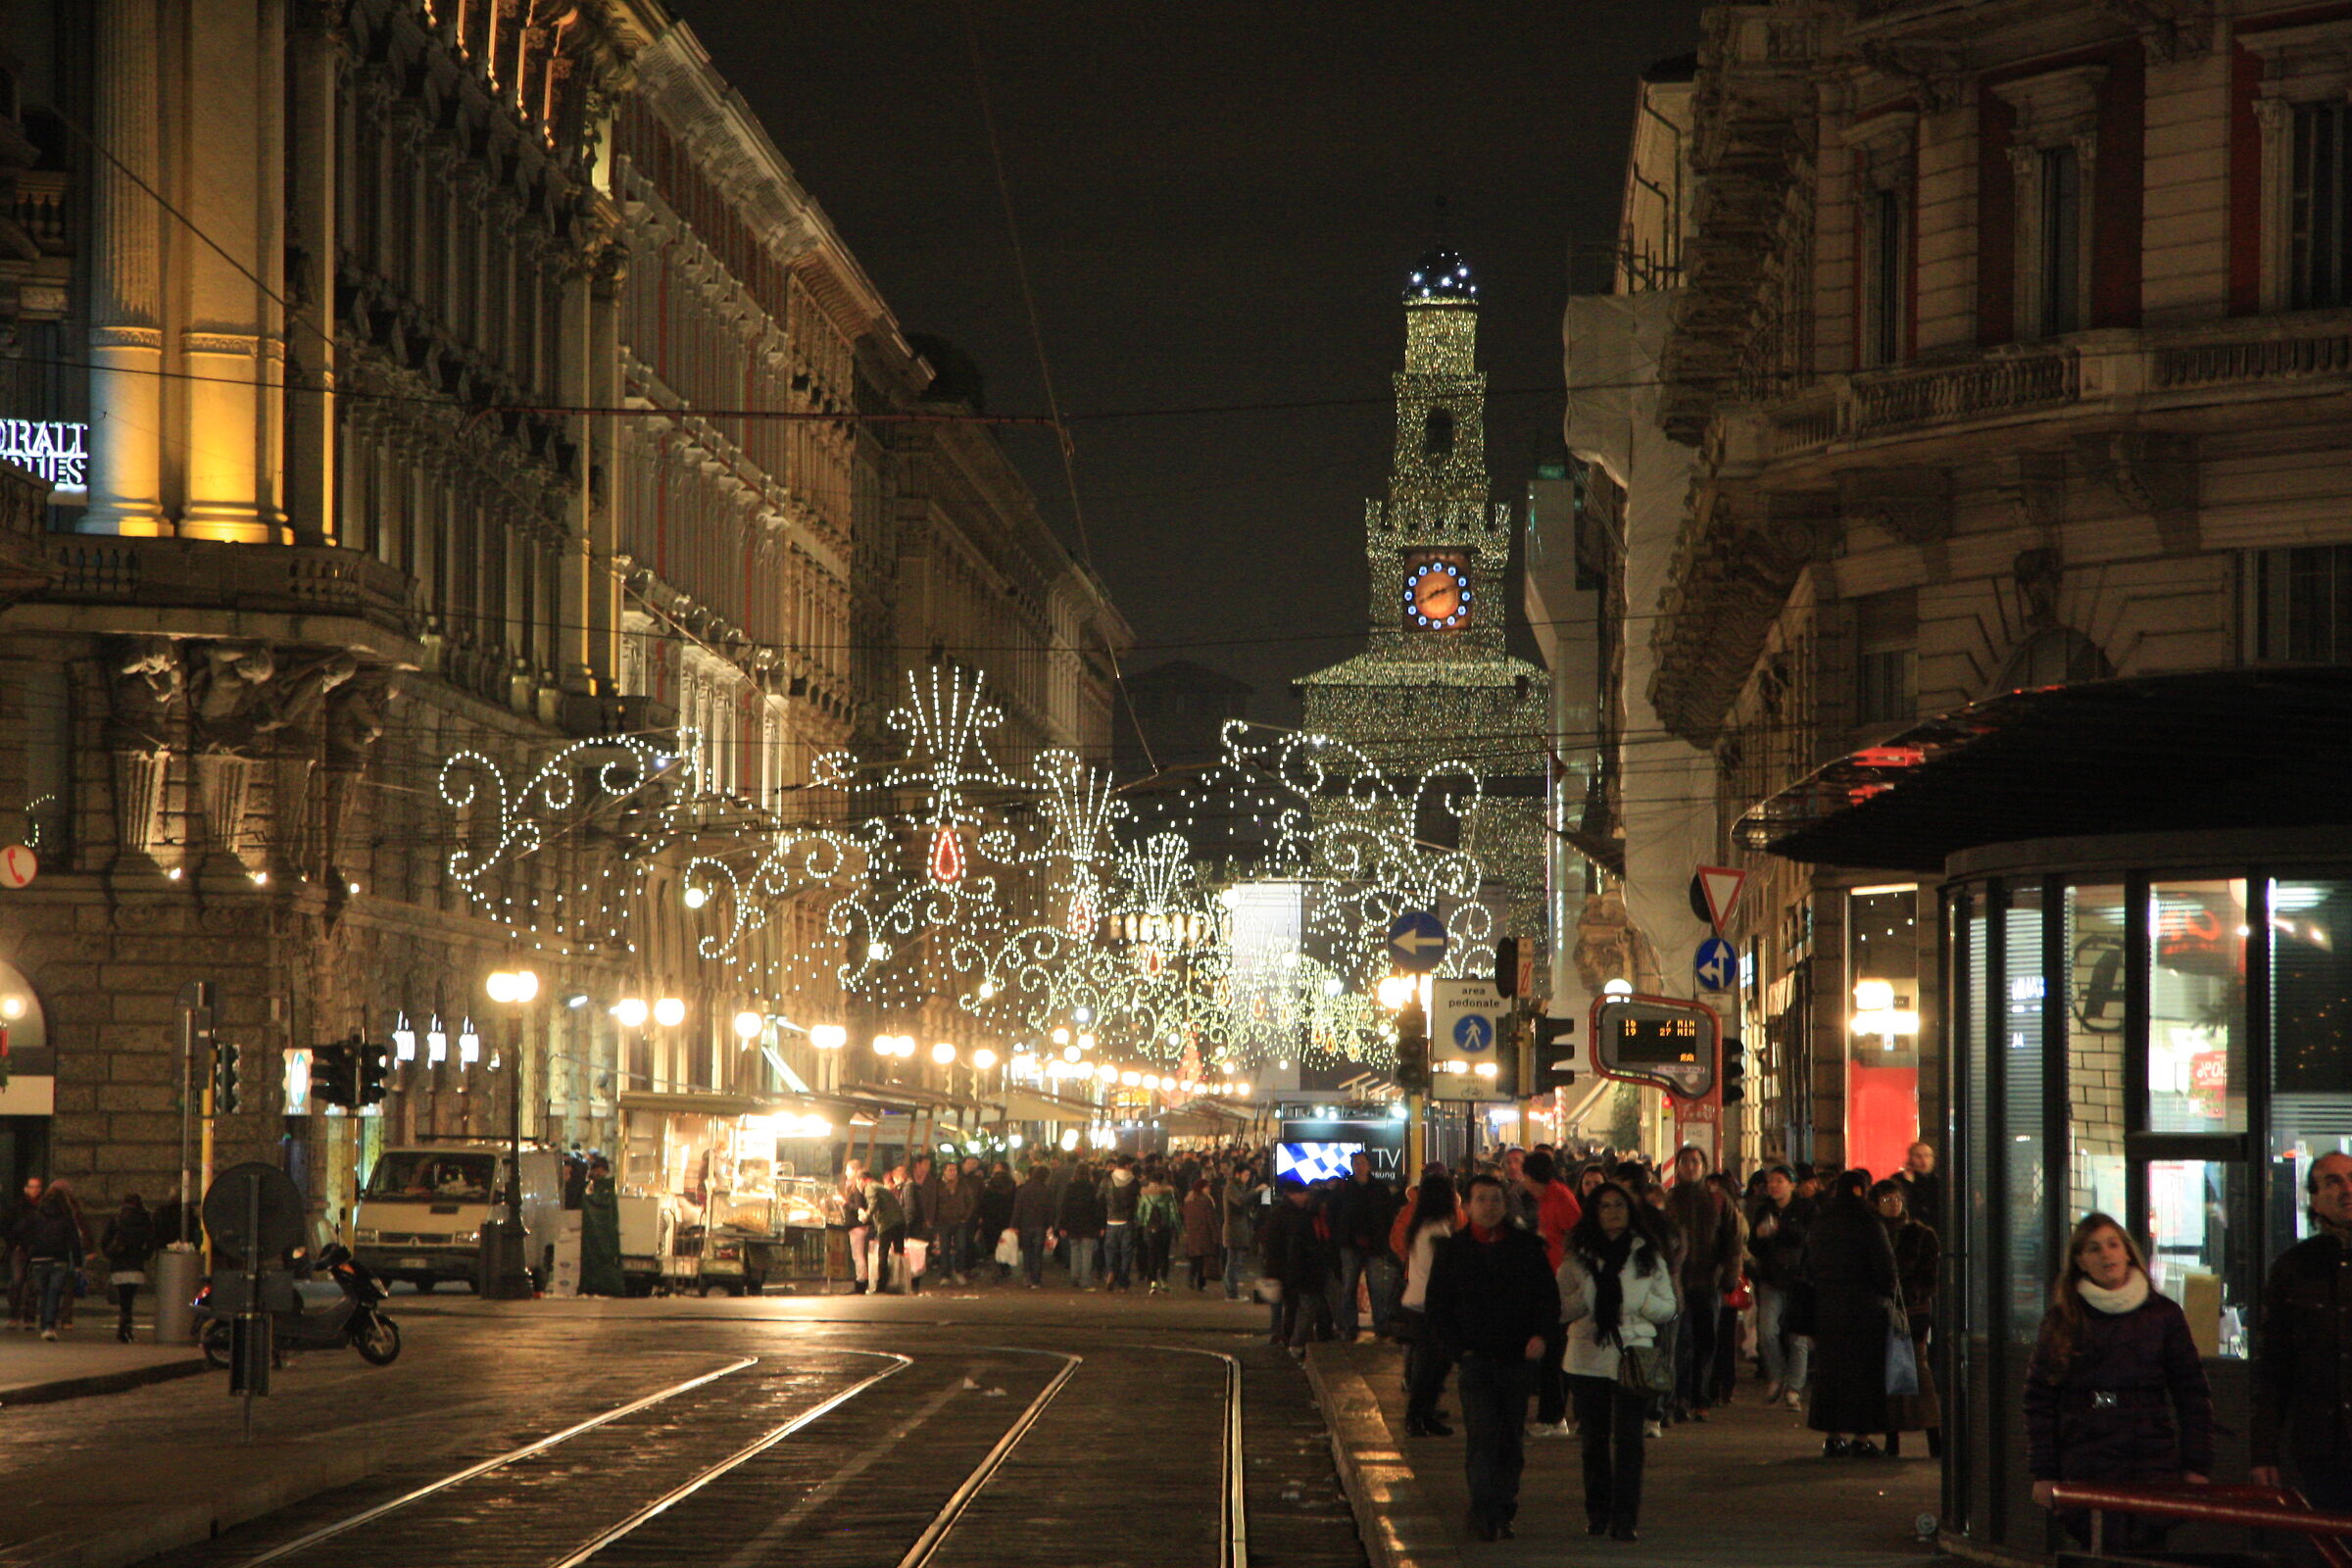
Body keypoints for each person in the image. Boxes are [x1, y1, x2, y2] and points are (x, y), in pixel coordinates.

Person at [2025, 1212, 2214, 1551]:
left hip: (2149, 1458)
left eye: (2113, 1245)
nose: (2106, 1255)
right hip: (2086, 1458)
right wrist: (2044, 1471)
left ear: (2128, 1252)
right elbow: (2040, 1400)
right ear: (2080, 1261)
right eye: (2094, 1248)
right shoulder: (2063, 1319)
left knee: (2146, 1547)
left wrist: (2195, 1465)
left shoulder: (2162, 1315)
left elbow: (2192, 1394)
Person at [1424, 1172, 1559, 1543]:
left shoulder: (1527, 1248)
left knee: (1510, 1437)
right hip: (1476, 1359)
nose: (1488, 1207)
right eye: (1480, 1199)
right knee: (1482, 1435)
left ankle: (1504, 1506)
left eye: (1495, 1199)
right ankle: (1483, 1510)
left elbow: (1547, 1298)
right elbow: (1438, 1305)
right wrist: (1457, 1349)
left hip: (1516, 1357)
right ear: (1466, 1206)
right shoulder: (1452, 1250)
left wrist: (1540, 1335)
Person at [1558, 1181, 1677, 1543]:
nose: (1613, 1212)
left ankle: (1626, 1517)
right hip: (1587, 1354)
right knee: (1593, 1440)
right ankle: (1597, 1512)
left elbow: (1668, 1306)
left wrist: (1637, 1303)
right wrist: (1589, 1300)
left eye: (1620, 1206)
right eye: (1605, 1206)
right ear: (1594, 1212)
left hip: (1633, 1354)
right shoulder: (1577, 1256)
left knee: (1629, 1440)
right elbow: (1560, 1307)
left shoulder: (1646, 1255)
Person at [2252, 1150, 2352, 1513]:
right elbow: (2274, 1366)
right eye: (2333, 1181)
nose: (2347, 1189)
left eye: (2351, 1177)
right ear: (2314, 1198)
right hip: (2323, 1447)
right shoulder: (2293, 1268)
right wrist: (2264, 1449)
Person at [1805, 1169, 1900, 1457]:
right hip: (1865, 1309)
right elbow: (1886, 1269)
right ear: (1862, 1191)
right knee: (1865, 1375)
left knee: (1831, 1373)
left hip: (1829, 1307)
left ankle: (1833, 1435)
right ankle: (1862, 1436)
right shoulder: (1868, 1222)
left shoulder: (1822, 1221)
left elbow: (1810, 1264)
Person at [1664, 1145, 1739, 1422]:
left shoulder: (1718, 1201)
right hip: (1679, 1283)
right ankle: (1680, 1397)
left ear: (1704, 1167)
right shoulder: (1670, 1200)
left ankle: (1701, 1398)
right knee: (1681, 1342)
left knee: (1706, 1342)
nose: (1690, 1166)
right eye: (1685, 1161)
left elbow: (1732, 1241)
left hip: (1709, 1282)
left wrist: (1730, 1274)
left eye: (1695, 1161)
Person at [1517, 1151, 1585, 1439]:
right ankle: (1551, 1416)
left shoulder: (1559, 1199)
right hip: (1553, 1282)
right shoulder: (1553, 1198)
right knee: (1553, 1354)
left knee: (1555, 1354)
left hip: (1562, 1287)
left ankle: (1553, 1418)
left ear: (1531, 1177)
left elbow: (1577, 1241)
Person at [1873, 1178, 1942, 1458]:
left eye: (1897, 1199)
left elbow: (1930, 1275)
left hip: (1912, 1312)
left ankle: (1933, 1434)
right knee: (1891, 1376)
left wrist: (1914, 1293)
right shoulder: (1873, 1233)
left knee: (1918, 1372)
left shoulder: (1920, 1234)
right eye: (1887, 1200)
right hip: (1884, 1311)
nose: (1894, 1204)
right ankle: (1893, 1438)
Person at [1396, 1169, 1460, 1437]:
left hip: (1417, 1300)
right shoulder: (1437, 1231)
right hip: (1428, 1304)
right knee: (1432, 1364)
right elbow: (1444, 1270)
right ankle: (1417, 1415)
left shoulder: (1421, 1226)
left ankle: (1425, 1413)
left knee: (1434, 1362)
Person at [1747, 1164, 1814, 1410]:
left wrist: (1779, 1230)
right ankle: (1776, 1375)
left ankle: (1794, 1389)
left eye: (1779, 1181)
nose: (1773, 1186)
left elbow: (1808, 1237)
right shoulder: (1764, 1209)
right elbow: (1754, 1244)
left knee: (1798, 1337)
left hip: (1799, 1279)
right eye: (1771, 1182)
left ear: (1792, 1185)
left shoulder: (1806, 1208)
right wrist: (1761, 1236)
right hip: (1771, 1278)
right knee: (1766, 1330)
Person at [1330, 1151, 1400, 1342]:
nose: (1359, 1166)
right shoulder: (1344, 1189)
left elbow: (1387, 1217)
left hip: (1374, 1245)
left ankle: (1380, 1324)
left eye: (1362, 1163)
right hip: (1350, 1244)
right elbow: (1335, 1216)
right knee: (1349, 1288)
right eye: (1356, 1163)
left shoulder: (1379, 1189)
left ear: (1369, 1165)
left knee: (1377, 1288)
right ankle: (1350, 1326)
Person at [12, 1180, 83, 1340]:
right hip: (59, 1258)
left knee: (44, 1293)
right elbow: (74, 1241)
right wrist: (78, 1263)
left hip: (38, 1258)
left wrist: (27, 1244)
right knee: (54, 1293)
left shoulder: (36, 1215)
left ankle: (44, 1324)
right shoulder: (66, 1217)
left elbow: (17, 1229)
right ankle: (48, 1326)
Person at [99, 1193, 155, 1342]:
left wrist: (111, 1253)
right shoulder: (145, 1220)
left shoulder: (117, 1220)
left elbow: (104, 1242)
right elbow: (151, 1242)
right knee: (129, 1298)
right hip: (136, 1265)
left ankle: (124, 1326)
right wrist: (145, 1256)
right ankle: (126, 1327)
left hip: (119, 1264)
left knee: (124, 1298)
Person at [579, 1156, 626, 1296]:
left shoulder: (597, 1188)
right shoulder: (595, 1187)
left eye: (600, 1171)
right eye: (596, 1171)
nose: (598, 1174)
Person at [1058, 1160, 1105, 1290]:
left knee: (1074, 1250)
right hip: (1088, 1225)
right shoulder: (1091, 1188)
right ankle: (1085, 1281)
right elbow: (1096, 1208)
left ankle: (1074, 1277)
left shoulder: (1070, 1188)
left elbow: (1065, 1207)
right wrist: (1100, 1226)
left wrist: (1062, 1225)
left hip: (1073, 1224)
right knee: (1086, 1253)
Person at [5, 1173, 42, 1330]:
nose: (34, 1190)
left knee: (33, 1285)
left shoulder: (43, 1206)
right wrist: (14, 1244)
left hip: (37, 1249)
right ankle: (14, 1315)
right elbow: (7, 1226)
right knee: (17, 1281)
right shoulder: (18, 1206)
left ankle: (29, 1318)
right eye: (31, 1187)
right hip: (20, 1248)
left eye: (37, 1187)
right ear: (26, 1189)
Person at [1221, 1161, 1262, 1300]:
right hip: (1233, 1230)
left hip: (1240, 1229)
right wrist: (1256, 1191)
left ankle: (1232, 1292)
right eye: (1245, 1175)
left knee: (1235, 1263)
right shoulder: (1231, 1188)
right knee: (1232, 1263)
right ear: (1237, 1174)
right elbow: (1240, 1201)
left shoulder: (1240, 1187)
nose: (1247, 1178)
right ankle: (1231, 1294)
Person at [1011, 1164, 1055, 1288]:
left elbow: (1018, 1208)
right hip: (1040, 1225)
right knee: (1037, 1253)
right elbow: (1050, 1209)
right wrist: (1050, 1224)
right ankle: (1036, 1280)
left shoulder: (1024, 1189)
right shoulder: (1046, 1190)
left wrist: (1014, 1224)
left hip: (1025, 1224)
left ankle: (1027, 1277)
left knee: (1027, 1251)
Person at [863, 1169, 906, 1294]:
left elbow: (873, 1203)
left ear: (862, 1180)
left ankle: (882, 1285)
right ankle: (900, 1282)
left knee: (883, 1254)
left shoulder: (870, 1187)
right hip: (899, 1222)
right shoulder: (880, 1187)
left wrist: (866, 1215)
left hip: (887, 1224)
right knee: (899, 1253)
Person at [1138, 1170, 1179, 1295]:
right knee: (1164, 1254)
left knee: (1151, 1254)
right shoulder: (1168, 1194)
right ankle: (1164, 1280)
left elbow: (1140, 1212)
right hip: (1164, 1227)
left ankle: (1153, 1282)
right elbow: (1174, 1212)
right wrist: (1177, 1227)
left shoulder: (1145, 1194)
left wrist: (1143, 1224)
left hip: (1150, 1228)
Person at [979, 1163, 1017, 1284]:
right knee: (1006, 1244)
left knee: (992, 1246)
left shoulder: (989, 1190)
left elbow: (983, 1206)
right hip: (1006, 1221)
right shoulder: (1012, 1190)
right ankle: (1005, 1267)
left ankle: (996, 1269)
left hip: (991, 1222)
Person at [1182, 1178, 1221, 1292]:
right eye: (1207, 1187)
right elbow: (1211, 1219)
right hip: (1204, 1233)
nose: (1209, 1189)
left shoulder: (1189, 1200)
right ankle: (1201, 1284)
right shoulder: (1206, 1201)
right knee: (1204, 1261)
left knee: (1194, 1259)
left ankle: (1191, 1278)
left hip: (1192, 1233)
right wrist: (1215, 1235)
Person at [1895, 1142, 1941, 1235]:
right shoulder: (1900, 1180)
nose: (1923, 1160)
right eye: (1918, 1156)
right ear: (1910, 1159)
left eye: (1927, 1156)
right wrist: (1908, 1183)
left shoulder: (1939, 1181)